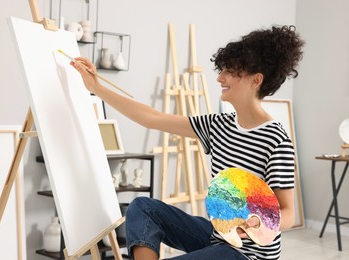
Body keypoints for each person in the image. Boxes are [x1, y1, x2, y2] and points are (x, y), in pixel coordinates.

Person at [71, 24, 304, 260]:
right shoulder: (218, 125)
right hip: (218, 238)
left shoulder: (275, 139)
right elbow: (152, 118)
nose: (219, 77)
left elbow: (288, 213)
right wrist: (95, 87)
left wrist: (256, 222)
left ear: (256, 80)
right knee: (142, 207)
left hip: (249, 255)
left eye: (230, 71)